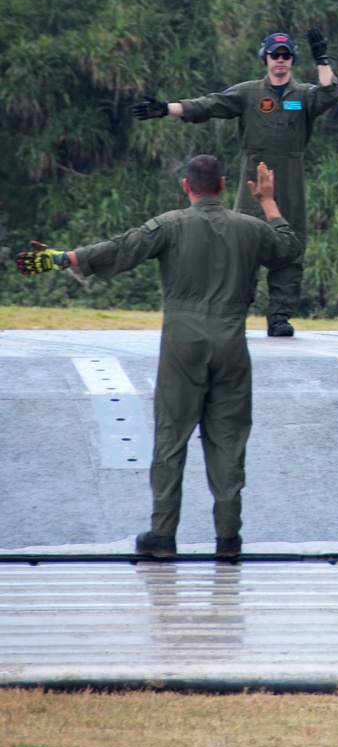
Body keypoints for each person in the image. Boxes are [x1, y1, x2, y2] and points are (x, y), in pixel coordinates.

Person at [16, 155, 301, 560]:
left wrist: (65, 258)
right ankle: (228, 539)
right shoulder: (250, 228)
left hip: (183, 344)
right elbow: (288, 248)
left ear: (187, 187)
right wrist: (268, 202)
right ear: (222, 185)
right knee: (229, 441)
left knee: (172, 437)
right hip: (231, 343)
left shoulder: (170, 225)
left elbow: (121, 248)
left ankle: (163, 535)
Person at [132, 28, 338, 338]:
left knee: (290, 245)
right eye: (275, 54)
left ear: (293, 59)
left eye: (286, 55)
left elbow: (330, 94)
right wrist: (167, 109)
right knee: (243, 243)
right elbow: (210, 105)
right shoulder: (248, 93)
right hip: (253, 176)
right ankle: (235, 311)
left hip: (291, 175)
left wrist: (322, 58)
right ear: (265, 58)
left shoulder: (304, 95)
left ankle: (280, 316)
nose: (280, 60)